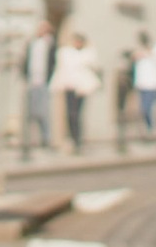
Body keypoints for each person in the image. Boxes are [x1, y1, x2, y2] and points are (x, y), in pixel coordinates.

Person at [52, 30, 101, 154]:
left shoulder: (87, 54)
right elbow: (62, 69)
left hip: (82, 88)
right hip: (70, 86)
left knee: (77, 114)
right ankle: (73, 137)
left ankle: (77, 138)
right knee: (70, 114)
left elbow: (93, 67)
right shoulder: (66, 53)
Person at [22, 19, 57, 154]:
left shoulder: (50, 43)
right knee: (31, 113)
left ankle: (46, 139)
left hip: (44, 82)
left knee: (43, 113)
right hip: (32, 81)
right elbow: (27, 59)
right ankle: (30, 140)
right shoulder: (33, 43)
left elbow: (53, 62)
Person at [130, 31, 156, 141]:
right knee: (143, 109)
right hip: (142, 85)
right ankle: (147, 131)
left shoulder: (155, 52)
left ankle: (152, 129)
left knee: (148, 108)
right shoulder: (138, 54)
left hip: (153, 85)